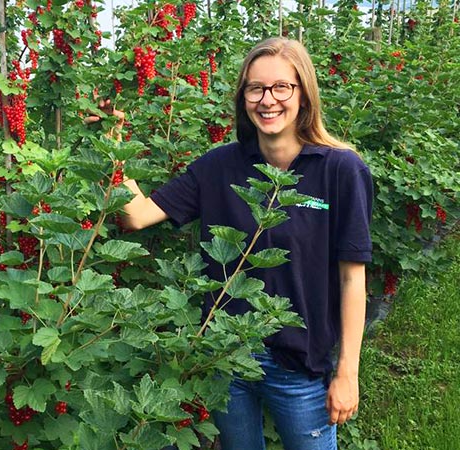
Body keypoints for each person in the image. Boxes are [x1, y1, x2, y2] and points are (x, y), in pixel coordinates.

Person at [92, 37, 373, 450]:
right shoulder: (219, 166)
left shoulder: (340, 169)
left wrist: (347, 371)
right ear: (243, 97)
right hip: (224, 358)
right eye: (255, 88)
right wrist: (112, 144)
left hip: (300, 365)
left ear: (304, 93)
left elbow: (352, 280)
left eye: (282, 87)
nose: (268, 100)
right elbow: (136, 215)